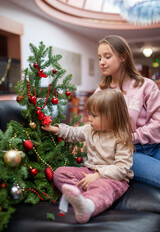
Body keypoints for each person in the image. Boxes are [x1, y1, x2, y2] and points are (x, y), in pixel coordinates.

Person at [41, 89, 134, 223]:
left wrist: (98, 175)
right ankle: (81, 198)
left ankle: (88, 206)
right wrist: (55, 129)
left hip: (113, 179)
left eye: (94, 116)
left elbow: (121, 168)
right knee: (60, 173)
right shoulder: (90, 129)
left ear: (111, 117)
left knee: (103, 188)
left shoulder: (122, 138)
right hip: (89, 172)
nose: (89, 118)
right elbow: (72, 133)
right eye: (89, 114)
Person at [96, 35, 160, 188]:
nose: (102, 62)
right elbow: (96, 126)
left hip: (154, 145)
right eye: (99, 58)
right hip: (128, 153)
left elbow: (158, 123)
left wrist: (133, 136)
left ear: (123, 56)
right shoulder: (101, 92)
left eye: (107, 56)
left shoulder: (147, 86)